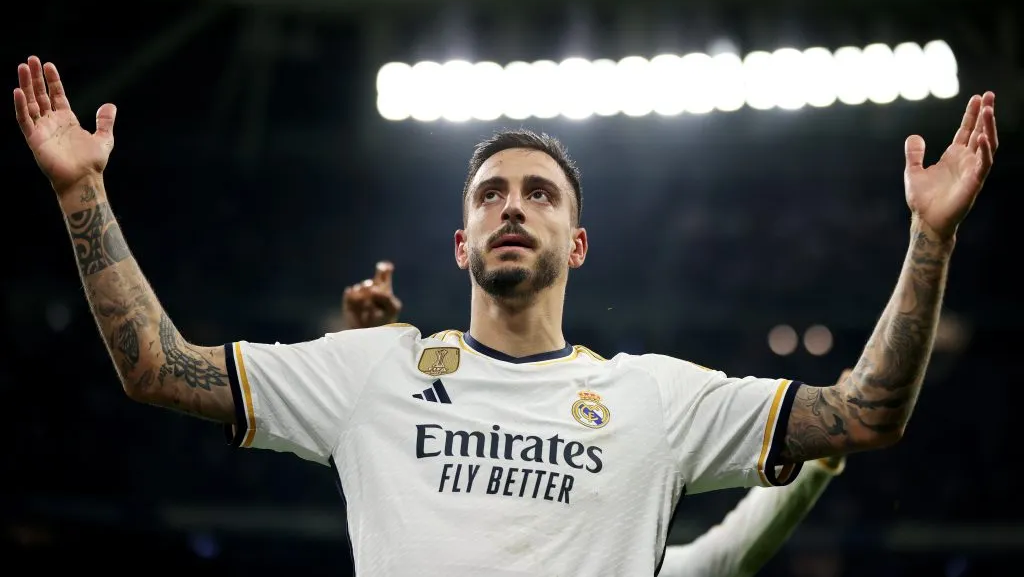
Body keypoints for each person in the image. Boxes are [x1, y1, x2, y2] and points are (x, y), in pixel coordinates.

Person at [13, 55, 997, 577]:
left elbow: (865, 412)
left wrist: (931, 237)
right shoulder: (376, 373)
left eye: (538, 193)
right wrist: (80, 195)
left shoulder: (654, 395)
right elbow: (155, 366)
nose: (512, 204)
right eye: (489, 194)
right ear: (460, 243)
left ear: (576, 244)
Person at [341, 262, 848, 577]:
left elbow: (727, 558)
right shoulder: (451, 534)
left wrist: (821, 458)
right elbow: (394, 473)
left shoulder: (617, 559)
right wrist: (377, 362)